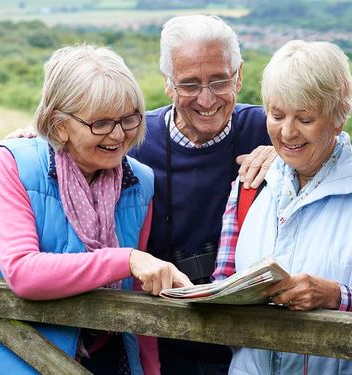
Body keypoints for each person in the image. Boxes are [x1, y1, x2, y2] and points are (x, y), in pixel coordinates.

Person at [212, 40, 352, 374]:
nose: (287, 132)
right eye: (276, 115)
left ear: (339, 117)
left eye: (305, 118)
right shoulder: (248, 186)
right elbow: (223, 286)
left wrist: (334, 296)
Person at [0, 45, 191, 375]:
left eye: (128, 119)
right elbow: (23, 272)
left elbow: (140, 295)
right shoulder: (13, 164)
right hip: (22, 358)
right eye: (100, 123)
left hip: (108, 358)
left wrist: (150, 370)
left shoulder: (140, 180)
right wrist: (125, 259)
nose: (118, 134)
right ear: (58, 125)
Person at [126, 15, 272, 374]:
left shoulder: (271, 129)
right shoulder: (135, 140)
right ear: (168, 85)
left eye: (219, 81)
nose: (206, 99)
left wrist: (284, 154)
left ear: (238, 76)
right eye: (189, 84)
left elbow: (333, 147)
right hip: (162, 343)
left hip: (253, 347)